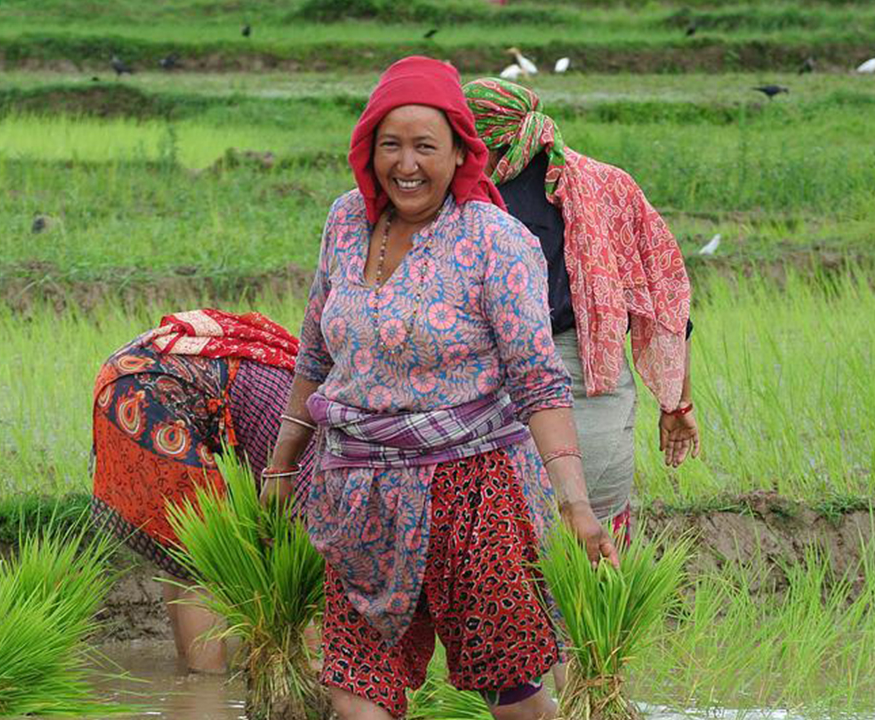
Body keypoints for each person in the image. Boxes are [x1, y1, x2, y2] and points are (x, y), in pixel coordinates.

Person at [260, 56, 617, 720]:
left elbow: (537, 381)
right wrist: (283, 463)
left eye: (426, 146)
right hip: (357, 492)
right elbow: (313, 346)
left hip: (475, 493)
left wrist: (575, 504)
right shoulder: (345, 222)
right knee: (354, 688)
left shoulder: (496, 241)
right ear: (368, 150)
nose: (407, 163)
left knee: (510, 684)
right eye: (390, 144)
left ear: (459, 151)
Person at [463, 78, 699, 535]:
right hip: (597, 390)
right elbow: (669, 304)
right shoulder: (610, 186)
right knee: (595, 537)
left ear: (485, 141)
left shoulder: (475, 203)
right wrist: (677, 403)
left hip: (504, 384)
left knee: (513, 539)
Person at [91, 308, 315, 673]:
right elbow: (301, 571)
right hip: (155, 391)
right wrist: (312, 664)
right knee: (207, 562)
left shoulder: (307, 387)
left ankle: (189, 676)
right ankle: (206, 689)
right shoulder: (320, 442)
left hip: (127, 376)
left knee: (185, 552)